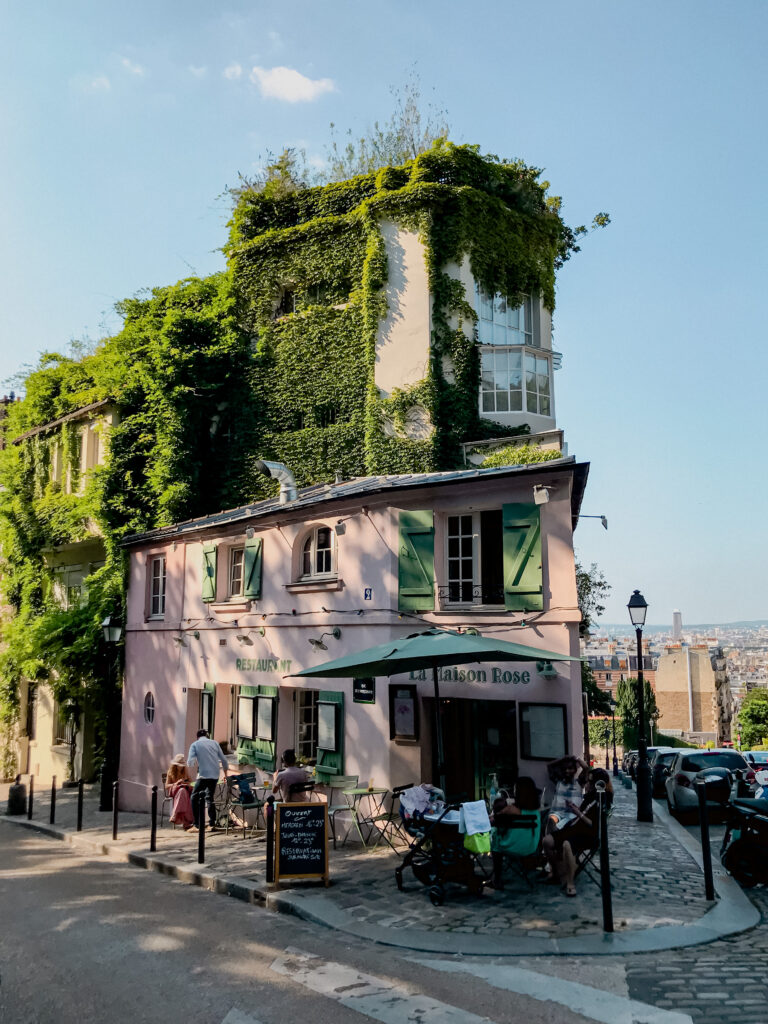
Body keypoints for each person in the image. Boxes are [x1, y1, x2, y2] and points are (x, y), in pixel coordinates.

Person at [541, 767, 614, 896]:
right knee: (547, 841)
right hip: (575, 828)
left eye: (590, 781)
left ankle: (570, 883)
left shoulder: (602, 798)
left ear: (597, 783)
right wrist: (575, 809)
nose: (587, 784)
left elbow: (594, 824)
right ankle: (556, 873)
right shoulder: (590, 796)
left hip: (588, 834)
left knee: (567, 844)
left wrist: (578, 813)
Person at [489, 776, 541, 890]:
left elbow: (491, 820)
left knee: (495, 836)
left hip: (511, 847)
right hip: (530, 847)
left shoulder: (510, 810)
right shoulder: (536, 811)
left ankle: (497, 878)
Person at [187, 729, 229, 829]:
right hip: (215, 774)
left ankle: (197, 823)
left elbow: (191, 763)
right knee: (209, 797)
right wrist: (226, 774)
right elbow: (223, 759)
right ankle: (212, 822)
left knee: (194, 797)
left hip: (203, 775)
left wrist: (194, 762)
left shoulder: (195, 745)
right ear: (207, 735)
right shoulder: (214, 743)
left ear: (197, 737)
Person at [545, 754, 588, 833]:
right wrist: (563, 759)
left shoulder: (579, 782)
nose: (567, 771)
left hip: (572, 816)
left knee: (566, 827)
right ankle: (552, 840)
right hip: (557, 813)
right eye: (565, 769)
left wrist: (576, 758)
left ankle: (557, 839)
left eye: (570, 768)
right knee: (551, 820)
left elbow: (585, 767)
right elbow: (549, 766)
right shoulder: (558, 781)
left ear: (575, 770)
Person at [166, 754, 194, 830]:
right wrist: (176, 783)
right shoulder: (170, 772)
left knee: (185, 793)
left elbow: (191, 782)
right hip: (175, 791)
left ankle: (175, 815)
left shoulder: (185, 771)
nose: (181, 766)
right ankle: (186, 822)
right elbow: (167, 786)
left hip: (184, 791)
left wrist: (186, 783)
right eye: (179, 765)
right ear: (175, 765)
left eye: (182, 765)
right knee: (182, 792)